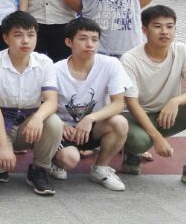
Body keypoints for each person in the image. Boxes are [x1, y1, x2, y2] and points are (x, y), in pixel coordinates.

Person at [120, 5, 186, 192]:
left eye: (169, 26)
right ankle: (132, 152)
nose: (164, 32)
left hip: (167, 115)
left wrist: (175, 101)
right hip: (136, 117)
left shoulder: (181, 50)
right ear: (144, 30)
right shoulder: (130, 59)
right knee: (139, 141)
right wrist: (157, 138)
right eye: (157, 26)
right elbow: (132, 104)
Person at [0, 11, 62, 196]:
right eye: (18, 35)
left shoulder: (45, 62)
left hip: (29, 120)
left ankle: (39, 170)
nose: (25, 41)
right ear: (6, 38)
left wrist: (38, 118)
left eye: (31, 35)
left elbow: (51, 101)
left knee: (53, 122)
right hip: (2, 120)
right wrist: (3, 146)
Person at [50, 17, 131, 191]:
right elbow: (43, 106)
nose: (90, 44)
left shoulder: (111, 64)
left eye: (94, 39)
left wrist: (90, 119)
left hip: (93, 126)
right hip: (65, 129)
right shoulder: (55, 70)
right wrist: (61, 125)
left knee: (120, 122)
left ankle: (100, 168)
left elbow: (118, 104)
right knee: (68, 160)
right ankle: (54, 162)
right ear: (69, 42)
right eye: (83, 39)